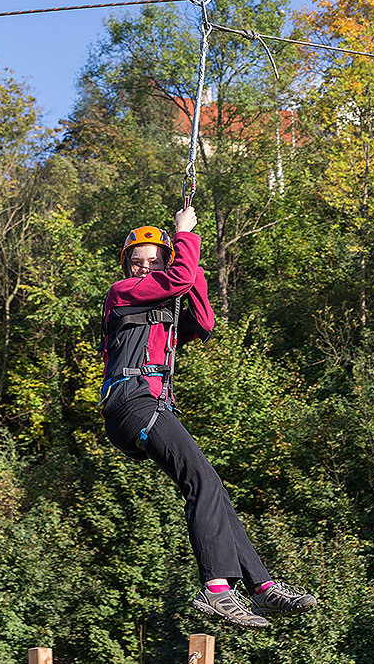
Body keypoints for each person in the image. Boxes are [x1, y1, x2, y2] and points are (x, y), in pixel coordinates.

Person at [99, 205, 317, 628]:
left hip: (148, 405)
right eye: (137, 263)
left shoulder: (166, 300)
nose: (144, 270)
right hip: (132, 403)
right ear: (127, 268)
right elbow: (179, 278)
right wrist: (184, 235)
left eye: (154, 262)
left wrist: (188, 259)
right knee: (203, 481)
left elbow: (203, 318)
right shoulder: (122, 291)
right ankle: (217, 588)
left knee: (210, 486)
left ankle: (262, 586)